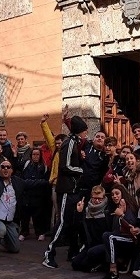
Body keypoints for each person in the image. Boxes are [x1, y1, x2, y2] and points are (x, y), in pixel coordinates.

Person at [0, 137, 48, 259]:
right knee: (0, 229)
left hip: (8, 222)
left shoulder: (17, 182)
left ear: (12, 170)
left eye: (8, 167)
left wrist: (49, 182)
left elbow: (32, 183)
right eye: (3, 167)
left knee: (14, 248)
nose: (5, 169)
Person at [43, 115, 88, 269]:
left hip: (72, 188)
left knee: (73, 222)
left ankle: (73, 252)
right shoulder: (69, 144)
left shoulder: (74, 142)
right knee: (62, 222)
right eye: (84, 132)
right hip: (67, 189)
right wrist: (82, 169)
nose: (86, 135)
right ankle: (49, 254)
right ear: (79, 132)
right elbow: (65, 166)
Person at [99, 184, 139, 279]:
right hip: (118, 238)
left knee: (109, 236)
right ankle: (118, 263)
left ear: (123, 194)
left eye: (117, 194)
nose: (114, 196)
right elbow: (114, 229)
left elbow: (132, 223)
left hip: (130, 239)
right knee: (93, 252)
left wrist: (122, 215)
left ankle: (113, 271)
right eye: (112, 194)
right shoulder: (115, 207)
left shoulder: (129, 205)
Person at [71, 185, 111, 272]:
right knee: (75, 263)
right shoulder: (87, 210)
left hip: (103, 244)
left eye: (100, 198)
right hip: (90, 243)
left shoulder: (107, 210)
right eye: (94, 198)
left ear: (104, 197)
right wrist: (79, 212)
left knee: (86, 265)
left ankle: (100, 265)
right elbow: (77, 228)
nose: (97, 201)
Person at [19, 147, 49, 241]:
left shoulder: (44, 167)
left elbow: (46, 181)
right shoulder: (26, 165)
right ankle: (24, 232)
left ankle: (40, 232)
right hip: (26, 195)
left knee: (38, 216)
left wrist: (32, 183)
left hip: (38, 195)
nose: (35, 156)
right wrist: (36, 182)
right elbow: (22, 180)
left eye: (37, 154)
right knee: (25, 216)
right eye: (33, 154)